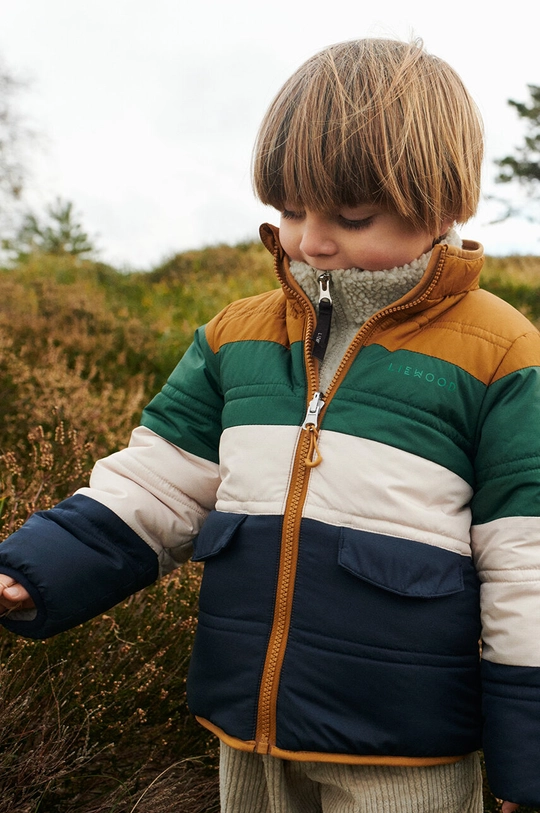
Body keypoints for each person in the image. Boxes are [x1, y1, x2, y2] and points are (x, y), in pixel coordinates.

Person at [0, 38, 537, 813]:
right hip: (245, 729)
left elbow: (528, 566)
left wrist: (527, 758)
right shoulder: (235, 335)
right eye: (290, 209)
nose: (310, 240)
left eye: (351, 216)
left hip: (404, 750)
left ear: (445, 203)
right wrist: (35, 569)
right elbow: (160, 484)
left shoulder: (502, 354)